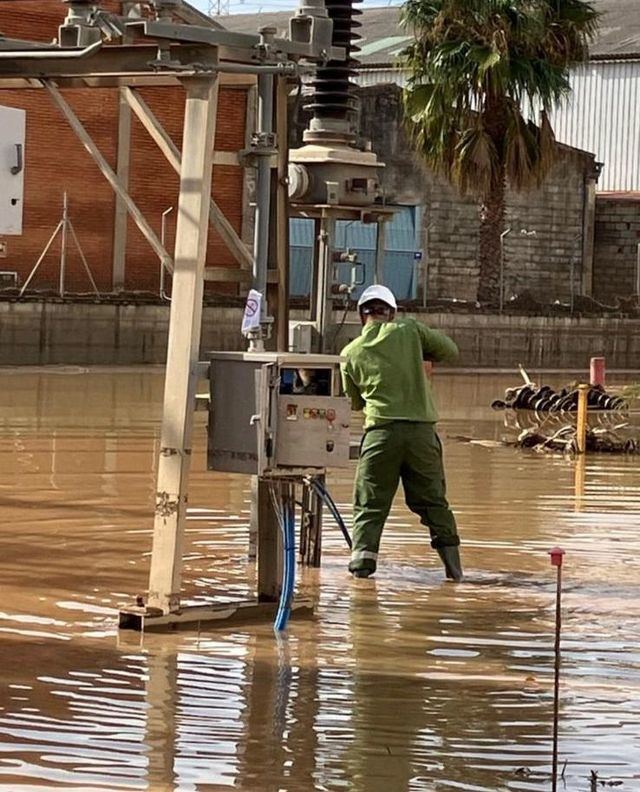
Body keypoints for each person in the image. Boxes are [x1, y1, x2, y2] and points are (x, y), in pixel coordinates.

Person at [340, 285, 463, 581]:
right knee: (433, 501)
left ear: (361, 316)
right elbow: (450, 350)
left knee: (370, 504)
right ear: (392, 313)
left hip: (380, 435)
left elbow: (355, 403)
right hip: (421, 436)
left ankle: (361, 572)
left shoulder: (350, 353)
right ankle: (455, 572)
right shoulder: (409, 331)